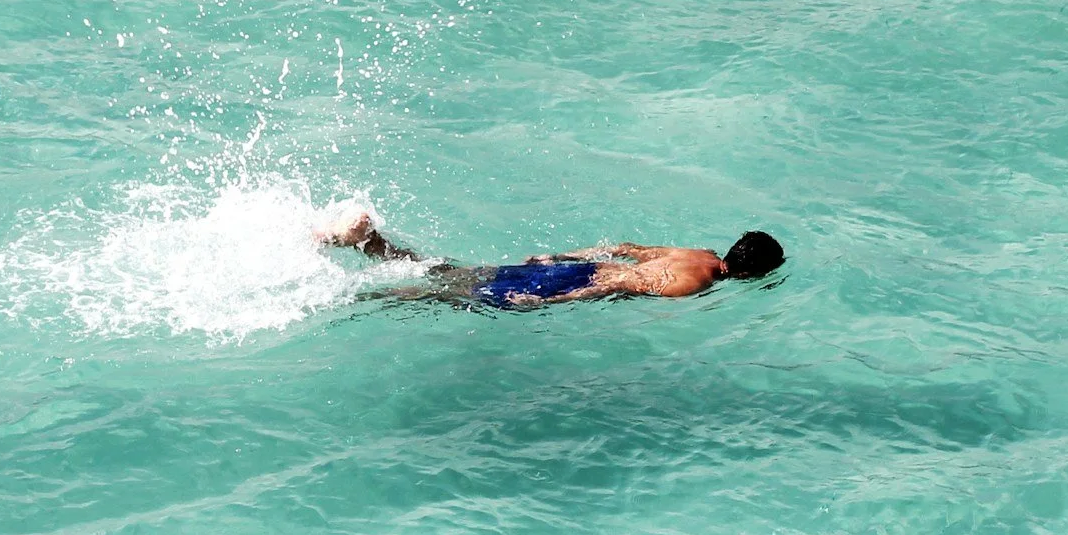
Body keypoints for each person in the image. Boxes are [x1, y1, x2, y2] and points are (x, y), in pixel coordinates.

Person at [314, 209, 784, 309]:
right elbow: (620, 284)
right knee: (444, 296)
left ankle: (370, 242)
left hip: (570, 266)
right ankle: (352, 297)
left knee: (451, 274)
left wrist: (558, 256)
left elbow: (624, 247)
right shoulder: (696, 284)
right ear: (749, 273)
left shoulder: (695, 253)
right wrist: (550, 301)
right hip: (567, 283)